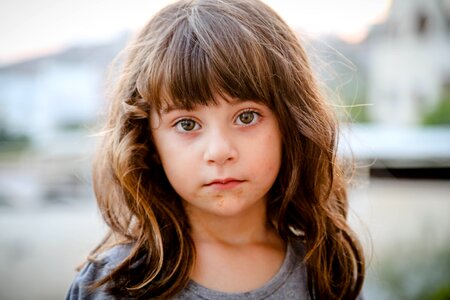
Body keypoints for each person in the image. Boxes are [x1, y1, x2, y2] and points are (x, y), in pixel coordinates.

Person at [66, 0, 365, 299]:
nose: (220, 151)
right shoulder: (112, 285)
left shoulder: (327, 274)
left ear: (290, 125)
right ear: (149, 143)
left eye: (246, 117)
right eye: (186, 124)